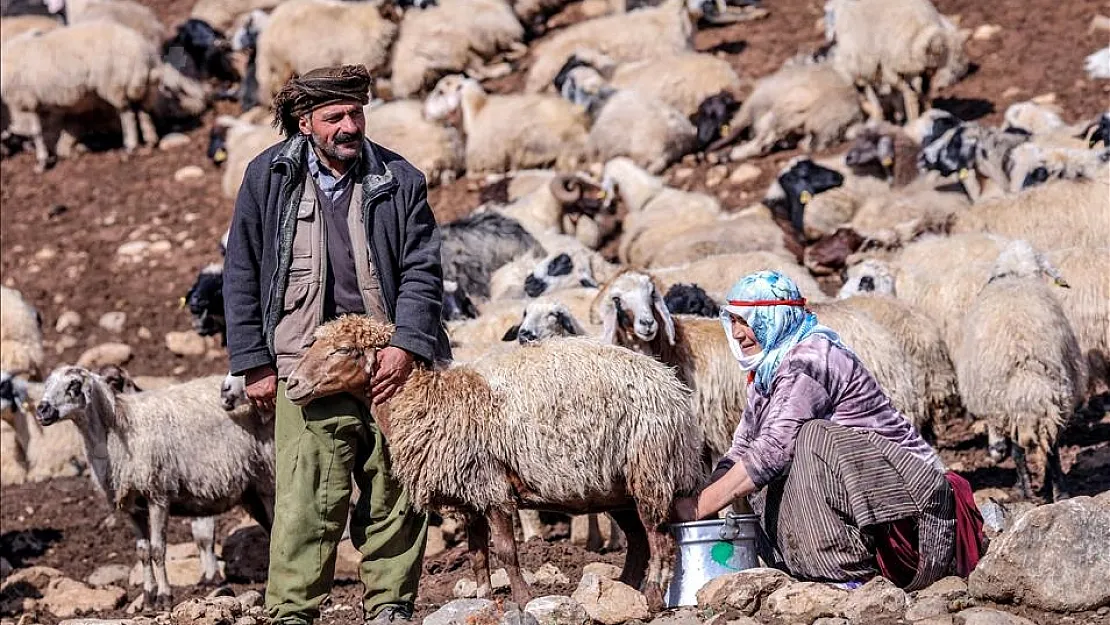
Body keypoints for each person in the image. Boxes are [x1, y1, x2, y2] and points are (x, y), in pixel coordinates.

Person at [223, 64, 451, 625]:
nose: (349, 125)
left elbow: (423, 269)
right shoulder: (267, 178)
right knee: (306, 493)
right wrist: (254, 363)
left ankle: (391, 604)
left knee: (396, 486)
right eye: (335, 117)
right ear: (306, 123)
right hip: (306, 359)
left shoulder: (399, 179)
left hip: (385, 360)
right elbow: (242, 271)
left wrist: (407, 343)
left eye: (356, 113)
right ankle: (292, 611)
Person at [672, 270, 983, 591]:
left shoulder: (810, 360)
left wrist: (700, 506)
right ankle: (804, 564)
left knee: (808, 440)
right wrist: (702, 500)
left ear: (775, 317)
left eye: (747, 321)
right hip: (869, 501)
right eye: (732, 322)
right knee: (750, 471)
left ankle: (847, 571)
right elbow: (743, 447)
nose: (737, 333)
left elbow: (775, 449)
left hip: (911, 515)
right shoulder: (767, 372)